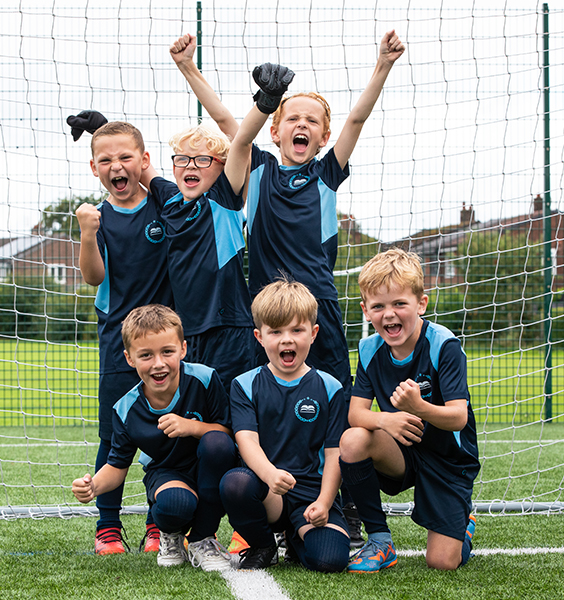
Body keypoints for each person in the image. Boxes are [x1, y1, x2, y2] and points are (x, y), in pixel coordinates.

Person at [339, 248, 480, 573]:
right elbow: (356, 414)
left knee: (442, 562)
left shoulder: (443, 345)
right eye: (378, 306)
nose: (389, 315)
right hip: (402, 453)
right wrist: (386, 419)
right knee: (353, 440)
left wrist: (419, 407)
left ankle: (462, 526)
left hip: (447, 460)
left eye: (399, 304)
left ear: (421, 304)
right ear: (365, 310)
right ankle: (379, 540)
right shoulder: (369, 349)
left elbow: (459, 416)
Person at [73, 118, 177, 555]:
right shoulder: (99, 216)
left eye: (125, 157)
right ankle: (108, 527)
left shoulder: (164, 204)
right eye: (106, 160)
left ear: (144, 161)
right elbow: (94, 276)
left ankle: (158, 524)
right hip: (120, 343)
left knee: (165, 434)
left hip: (166, 345)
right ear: (94, 168)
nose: (117, 166)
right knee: (114, 434)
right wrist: (87, 233)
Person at [71, 304, 237, 571]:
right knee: (176, 504)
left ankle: (202, 538)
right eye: (146, 355)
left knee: (218, 444)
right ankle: (170, 536)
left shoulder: (205, 379)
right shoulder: (126, 409)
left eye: (167, 352)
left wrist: (191, 427)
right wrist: (93, 487)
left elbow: (228, 433)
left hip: (208, 467)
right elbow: (117, 466)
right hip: (167, 473)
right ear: (129, 358)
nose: (158, 363)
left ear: (183, 349)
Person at [138, 34, 255, 393]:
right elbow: (138, 167)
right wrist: (101, 129)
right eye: (182, 159)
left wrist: (188, 67)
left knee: (236, 416)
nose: (191, 165)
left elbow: (241, 141)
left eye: (203, 159)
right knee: (195, 417)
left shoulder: (224, 199)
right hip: (186, 333)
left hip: (230, 329)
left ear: (220, 168)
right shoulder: (170, 199)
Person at [219, 277, 351, 572]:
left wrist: (325, 503)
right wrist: (270, 475)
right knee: (235, 483)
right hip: (268, 490)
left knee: (330, 560)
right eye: (275, 331)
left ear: (314, 333)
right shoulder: (244, 384)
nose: (286, 339)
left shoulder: (330, 387)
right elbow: (247, 441)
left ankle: (296, 535)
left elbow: (334, 454)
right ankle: (264, 543)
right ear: (259, 336)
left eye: (296, 330)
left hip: (312, 493)